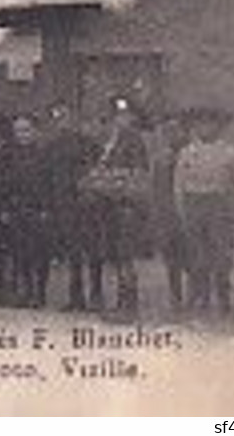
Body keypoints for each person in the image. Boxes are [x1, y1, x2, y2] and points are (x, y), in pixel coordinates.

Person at [175, 106, 234, 316]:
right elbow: (178, 185)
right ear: (195, 127)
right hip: (193, 206)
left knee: (221, 255)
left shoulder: (229, 152)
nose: (205, 128)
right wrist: (181, 209)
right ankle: (200, 297)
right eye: (200, 124)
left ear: (219, 127)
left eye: (210, 124)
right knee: (196, 255)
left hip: (219, 207)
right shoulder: (186, 153)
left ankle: (223, 297)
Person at [81, 97, 151, 316]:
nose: (120, 119)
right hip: (111, 205)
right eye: (117, 116)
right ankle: (122, 303)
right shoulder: (111, 141)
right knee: (117, 256)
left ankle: (129, 305)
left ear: (132, 118)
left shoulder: (134, 140)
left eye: (125, 115)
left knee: (125, 256)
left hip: (127, 206)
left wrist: (105, 179)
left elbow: (137, 174)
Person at [0, 114, 55, 307]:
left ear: (35, 131)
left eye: (26, 130)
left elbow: (51, 183)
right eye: (18, 131)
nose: (22, 135)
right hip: (16, 207)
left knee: (40, 252)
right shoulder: (8, 155)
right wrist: (4, 207)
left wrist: (47, 208)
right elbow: (3, 184)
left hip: (39, 209)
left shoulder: (45, 154)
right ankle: (26, 290)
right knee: (20, 252)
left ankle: (39, 293)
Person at [45, 102, 98, 310]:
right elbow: (49, 178)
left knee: (93, 251)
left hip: (86, 204)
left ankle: (95, 294)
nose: (62, 122)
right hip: (64, 204)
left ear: (73, 118)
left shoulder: (87, 144)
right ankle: (76, 296)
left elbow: (96, 171)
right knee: (72, 252)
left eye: (65, 117)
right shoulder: (51, 147)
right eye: (57, 118)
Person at [151, 111, 192, 311]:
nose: (171, 134)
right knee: (171, 257)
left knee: (193, 257)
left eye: (175, 130)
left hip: (189, 211)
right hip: (168, 213)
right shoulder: (161, 157)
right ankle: (176, 296)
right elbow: (157, 187)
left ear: (183, 131)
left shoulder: (192, 152)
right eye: (167, 131)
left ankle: (197, 295)